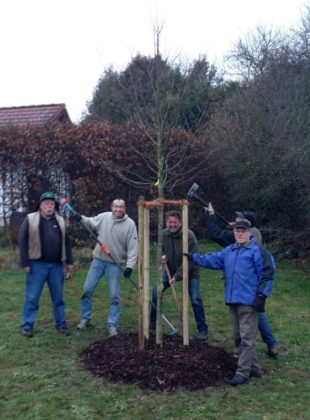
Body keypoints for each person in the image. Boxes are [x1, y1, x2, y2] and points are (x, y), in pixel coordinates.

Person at [184, 218, 275, 386]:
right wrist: (193, 257)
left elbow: (268, 274)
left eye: (243, 231)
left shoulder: (258, 252)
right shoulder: (230, 251)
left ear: (249, 233)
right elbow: (212, 259)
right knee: (238, 337)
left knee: (247, 338)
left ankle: (242, 373)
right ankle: (254, 367)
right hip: (233, 300)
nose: (239, 234)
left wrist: (261, 295)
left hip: (249, 302)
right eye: (237, 231)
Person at [205, 203, 278, 357]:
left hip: (243, 285)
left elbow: (215, 234)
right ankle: (271, 344)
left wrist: (211, 215)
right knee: (257, 314)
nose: (236, 219)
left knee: (250, 317)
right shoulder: (254, 233)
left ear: (248, 224)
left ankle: (247, 356)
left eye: (240, 219)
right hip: (249, 284)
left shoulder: (239, 236)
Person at [76, 199, 138, 336]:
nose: (118, 209)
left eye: (121, 207)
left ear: (125, 208)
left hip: (115, 264)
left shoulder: (130, 225)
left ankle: (112, 325)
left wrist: (129, 267)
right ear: (112, 207)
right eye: (115, 207)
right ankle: (85, 319)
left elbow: (133, 249)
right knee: (87, 289)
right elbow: (91, 222)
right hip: (98, 260)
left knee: (114, 296)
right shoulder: (104, 217)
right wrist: (81, 218)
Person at [19, 192, 73, 338]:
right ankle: (27, 326)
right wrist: (24, 262)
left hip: (56, 266)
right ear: (40, 206)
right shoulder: (30, 219)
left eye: (52, 204)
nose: (50, 206)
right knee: (32, 297)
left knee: (58, 298)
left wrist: (69, 261)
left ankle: (61, 325)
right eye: (47, 203)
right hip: (36, 265)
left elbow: (67, 242)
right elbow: (22, 240)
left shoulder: (61, 221)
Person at [150, 210, 208, 340]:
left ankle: (202, 329)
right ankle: (152, 323)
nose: (172, 225)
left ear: (180, 223)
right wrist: (162, 256)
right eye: (170, 222)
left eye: (175, 222)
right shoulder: (164, 234)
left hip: (191, 272)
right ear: (166, 222)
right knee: (156, 290)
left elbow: (192, 260)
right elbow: (160, 250)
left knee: (196, 299)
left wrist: (177, 276)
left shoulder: (189, 236)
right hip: (169, 270)